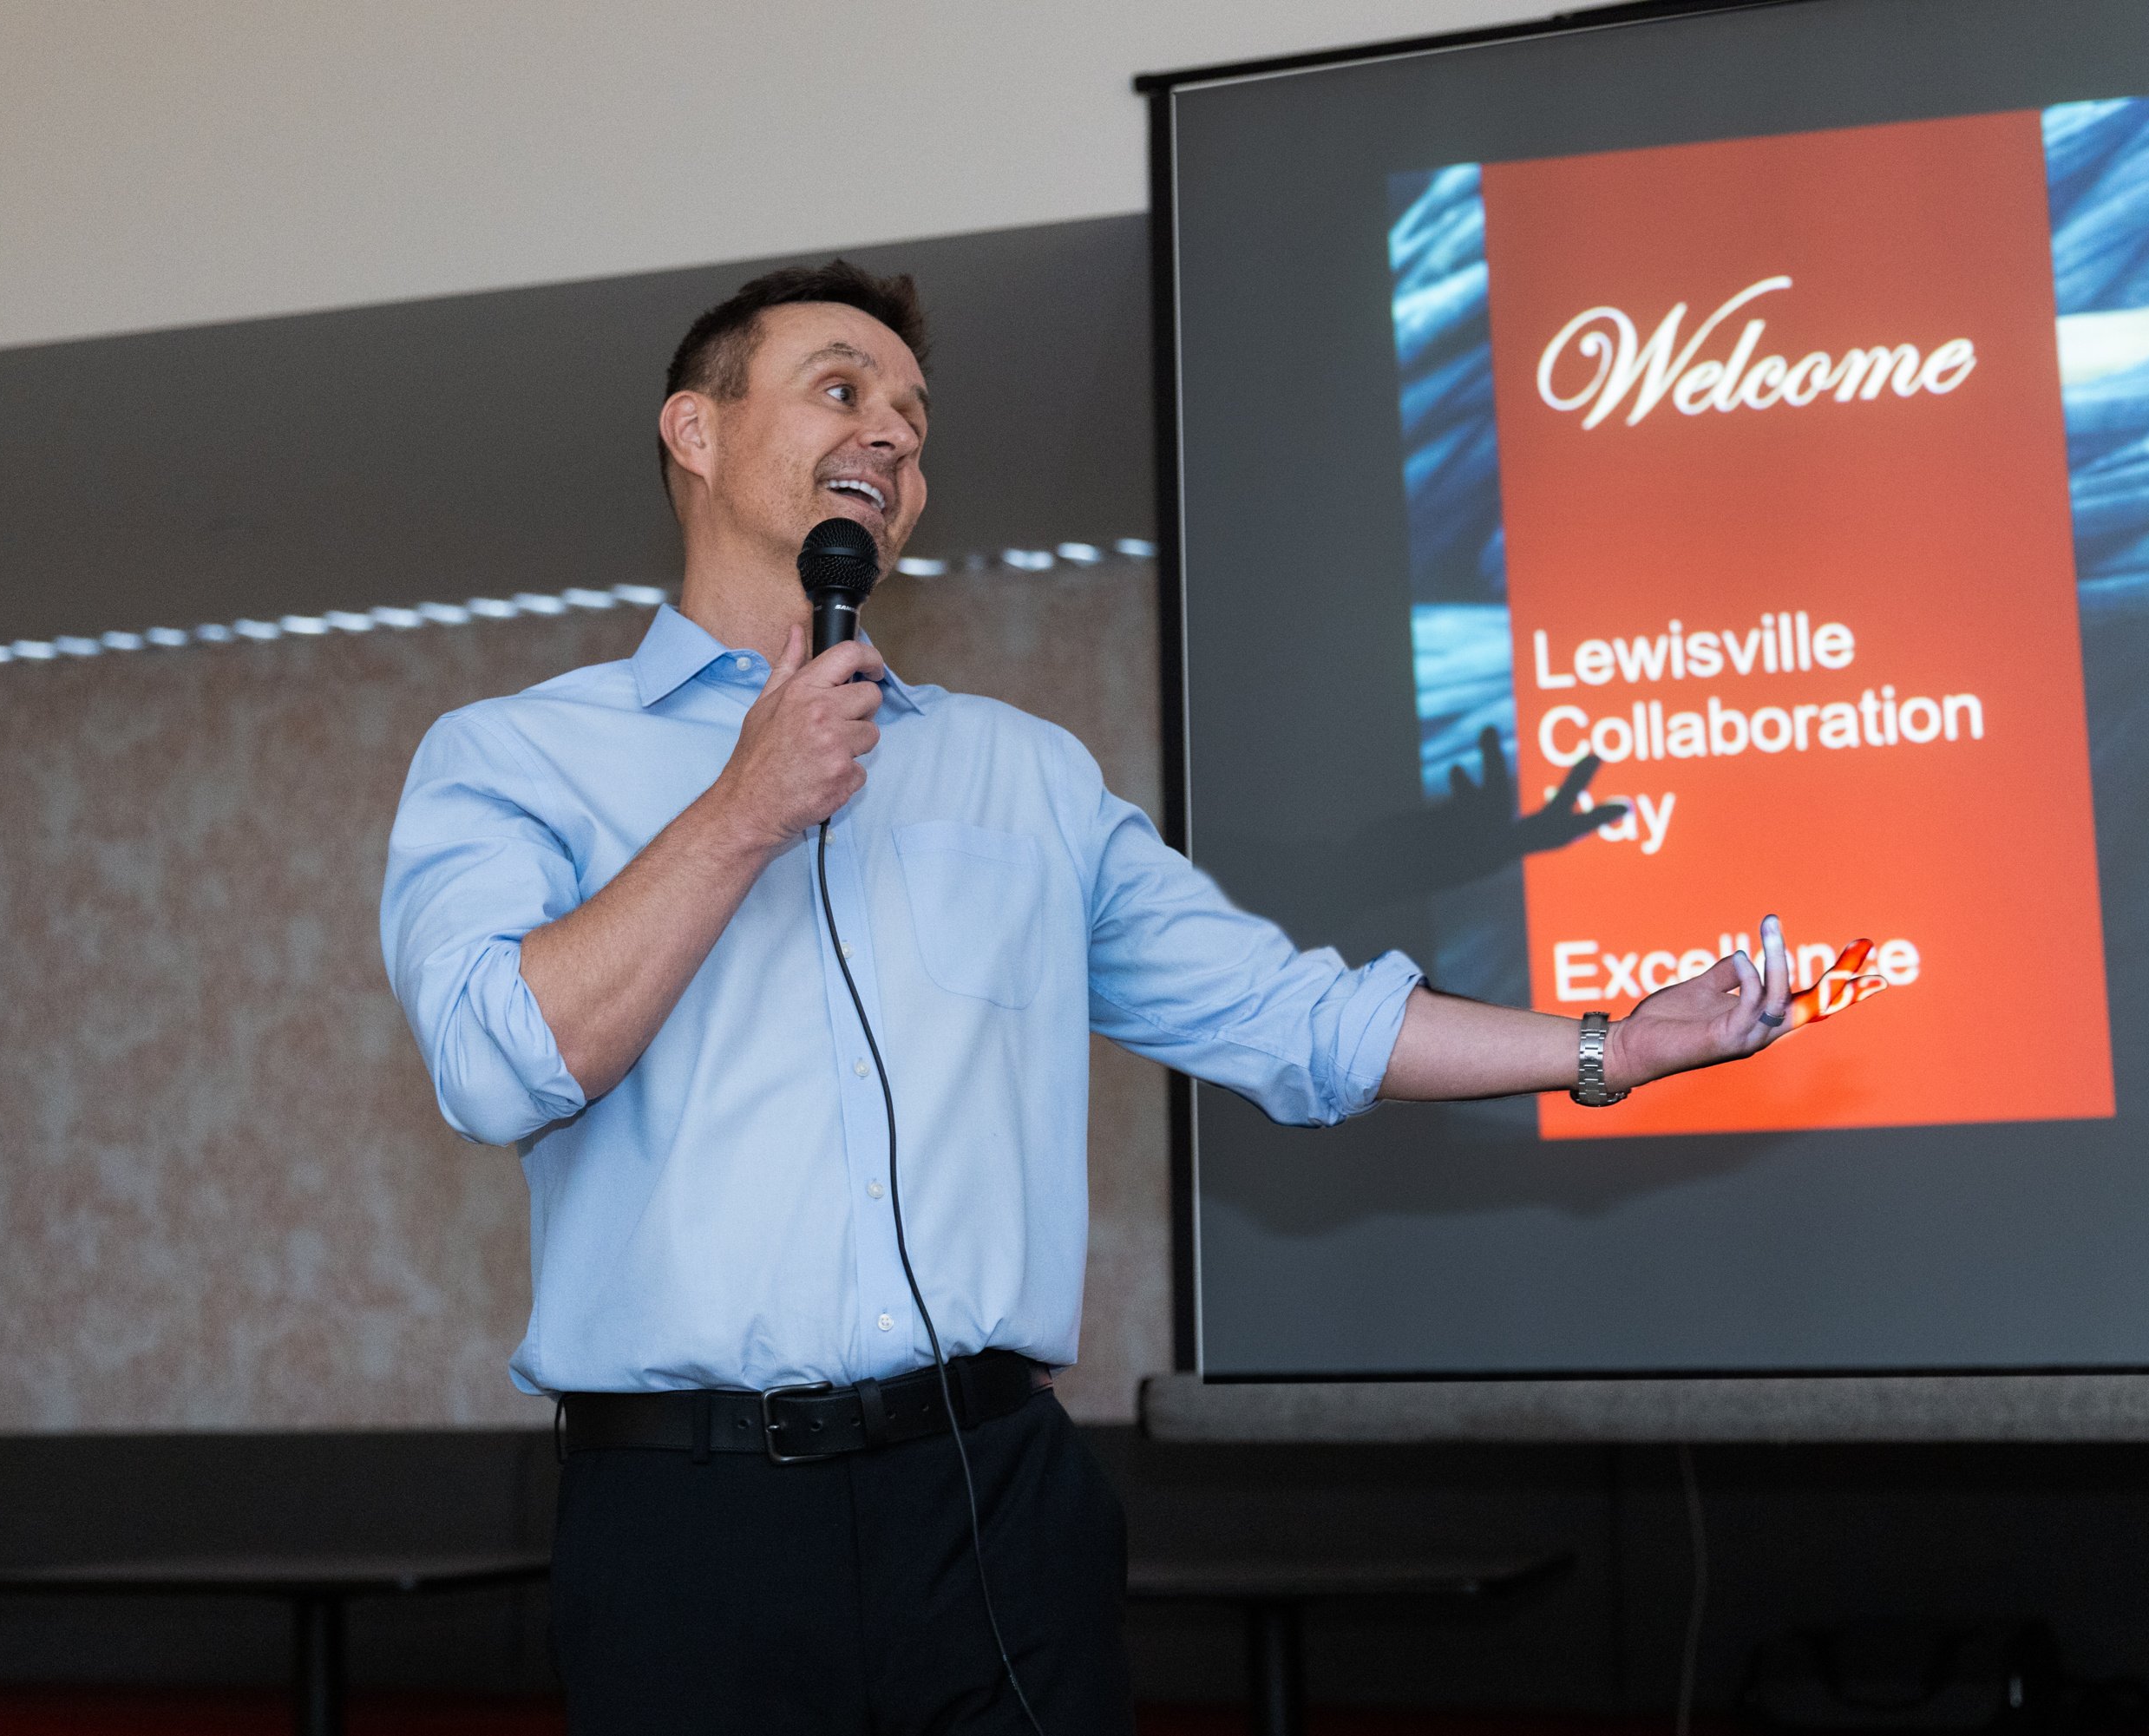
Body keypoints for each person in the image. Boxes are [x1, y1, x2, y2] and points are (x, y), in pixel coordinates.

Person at [379, 259, 1800, 1735]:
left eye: (917, 426)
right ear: (693, 430)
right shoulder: (512, 758)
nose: (893, 440)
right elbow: (494, 1065)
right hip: (693, 1522)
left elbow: (1290, 1016)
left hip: (990, 1505)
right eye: (841, 390)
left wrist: (1603, 1044)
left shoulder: (1026, 773)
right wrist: (746, 803)